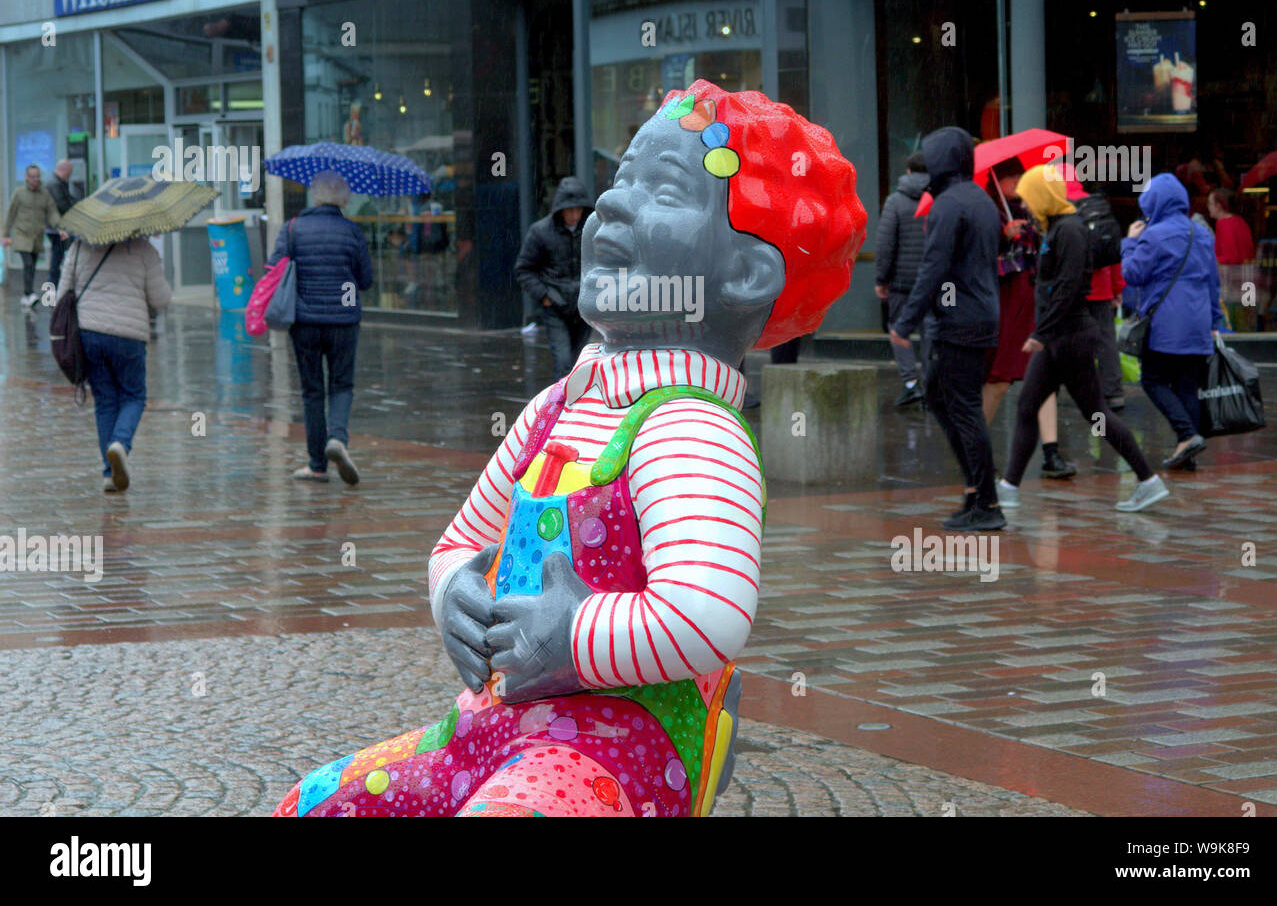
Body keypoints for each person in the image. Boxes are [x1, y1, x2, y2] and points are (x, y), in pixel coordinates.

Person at [273, 80, 867, 818]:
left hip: (612, 753)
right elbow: (462, 538)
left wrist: (573, 635)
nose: (614, 204)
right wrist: (453, 588)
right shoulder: (557, 406)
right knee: (316, 801)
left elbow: (708, 609)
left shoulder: (690, 428)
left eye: (664, 189)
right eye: (622, 178)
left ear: (747, 274)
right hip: (485, 729)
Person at [995, 166, 1168, 513]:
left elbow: (1069, 288)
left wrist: (1041, 333)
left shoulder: (1069, 231)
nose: (1024, 204)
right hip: (1059, 338)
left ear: (1042, 197)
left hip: (1068, 338)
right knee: (1030, 405)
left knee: (1097, 414)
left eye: (1029, 197)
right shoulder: (1055, 230)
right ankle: (1008, 488)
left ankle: (1148, 480)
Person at [891, 127, 1005, 533]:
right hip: (979, 316)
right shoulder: (981, 200)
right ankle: (976, 493)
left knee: (963, 408)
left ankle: (987, 501)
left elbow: (934, 267)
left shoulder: (947, 204)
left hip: (960, 322)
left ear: (940, 161)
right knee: (941, 398)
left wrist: (904, 322)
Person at [268, 170, 374, 485]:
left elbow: (275, 268)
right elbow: (365, 280)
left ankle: (316, 465)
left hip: (305, 321)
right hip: (344, 321)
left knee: (312, 392)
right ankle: (337, 438)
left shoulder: (293, 228)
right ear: (343, 198)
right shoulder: (352, 231)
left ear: (315, 195)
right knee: (341, 385)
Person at [1122, 173, 1224, 471]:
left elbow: (1133, 274)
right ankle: (1187, 456)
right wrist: (1214, 320)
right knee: (1187, 387)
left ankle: (1187, 435)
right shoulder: (1201, 233)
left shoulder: (1153, 235)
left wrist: (1129, 242)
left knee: (1153, 380)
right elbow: (1212, 282)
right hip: (1197, 321)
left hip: (1166, 323)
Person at [56, 235, 172, 492]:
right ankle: (120, 443)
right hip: (129, 336)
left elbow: (62, 294)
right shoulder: (143, 249)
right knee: (133, 396)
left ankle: (109, 474)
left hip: (89, 334)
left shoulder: (79, 246)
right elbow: (160, 299)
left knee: (106, 401)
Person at [982, 163, 1075, 479]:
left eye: (1020, 177)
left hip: (1036, 299)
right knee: (1000, 379)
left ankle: (1051, 453)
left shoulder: (1032, 208)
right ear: (998, 180)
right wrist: (1004, 239)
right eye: (1011, 177)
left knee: (1044, 375)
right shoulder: (988, 211)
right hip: (1009, 303)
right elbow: (982, 261)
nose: (1017, 183)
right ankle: (975, 449)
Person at [514, 175, 594, 381]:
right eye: (570, 210)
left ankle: (576, 406)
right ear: (560, 210)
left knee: (579, 362)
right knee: (563, 361)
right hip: (555, 307)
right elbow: (524, 269)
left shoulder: (592, 230)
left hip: (583, 308)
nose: (574, 215)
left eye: (578, 209)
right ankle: (561, 407)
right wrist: (544, 297)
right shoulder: (540, 232)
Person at [875, 149, 931, 408]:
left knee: (899, 331)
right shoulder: (938, 198)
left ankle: (911, 384)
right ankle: (931, 387)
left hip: (902, 282)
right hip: (932, 281)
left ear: (908, 171)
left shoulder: (895, 201)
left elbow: (885, 244)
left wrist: (881, 279)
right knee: (931, 333)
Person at [1068, 176, 1127, 409]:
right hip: (1101, 288)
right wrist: (1116, 288)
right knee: (1105, 340)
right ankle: (1113, 392)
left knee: (1072, 340)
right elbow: (1113, 251)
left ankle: (1083, 390)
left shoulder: (1060, 207)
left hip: (1072, 289)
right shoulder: (1098, 206)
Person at [2, 164, 61, 309]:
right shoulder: (19, 193)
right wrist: (4, 234)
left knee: (32, 266)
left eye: (37, 176)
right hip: (22, 235)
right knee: (28, 264)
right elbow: (10, 214)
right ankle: (29, 294)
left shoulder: (44, 194)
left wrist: (60, 227)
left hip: (37, 236)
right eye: (32, 176)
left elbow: (52, 211)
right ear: (27, 177)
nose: (35, 179)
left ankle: (26, 296)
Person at [1207, 188, 1255, 332]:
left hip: (1233, 284)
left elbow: (1230, 257)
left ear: (1219, 206)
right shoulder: (1241, 222)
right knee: (1247, 326)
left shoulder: (1223, 224)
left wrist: (1210, 261)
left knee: (1233, 327)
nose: (1208, 207)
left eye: (1210, 203)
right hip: (1249, 281)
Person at [45, 160, 80, 290]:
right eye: (69, 173)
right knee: (57, 257)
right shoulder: (55, 184)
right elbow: (62, 204)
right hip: (56, 228)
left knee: (59, 256)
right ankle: (53, 287)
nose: (70, 176)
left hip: (56, 227)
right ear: (64, 170)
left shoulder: (57, 182)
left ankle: (56, 285)